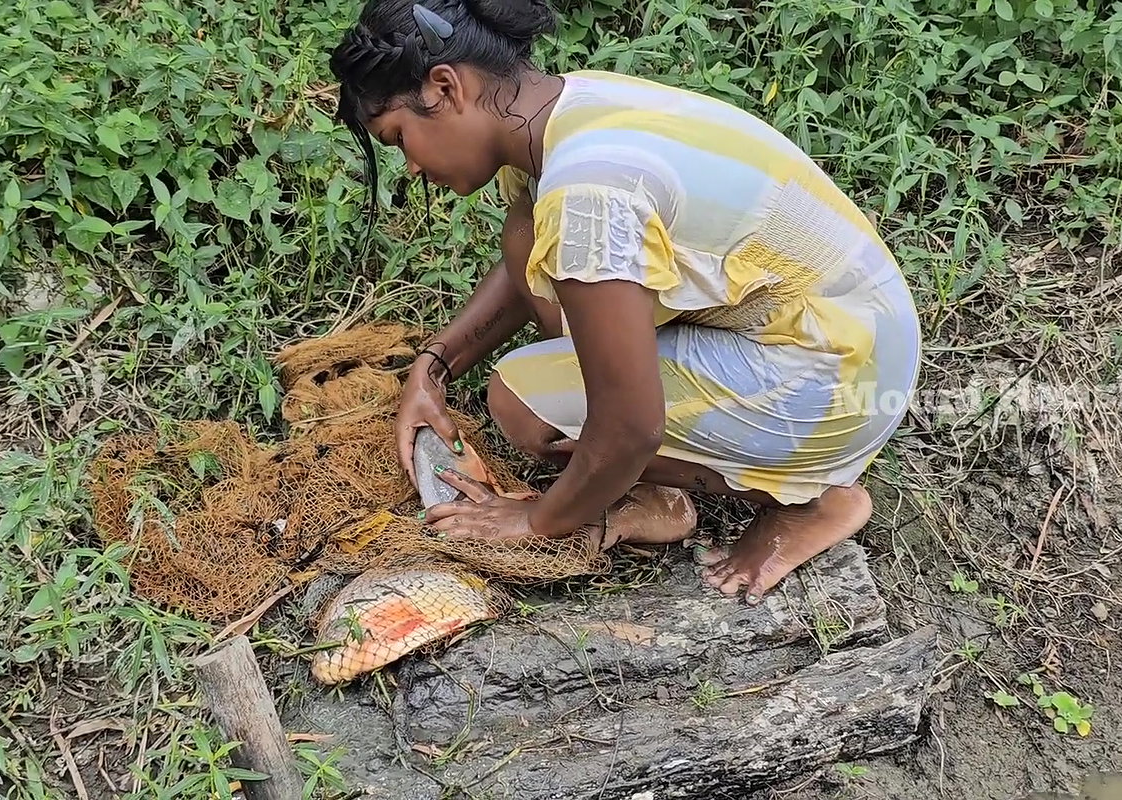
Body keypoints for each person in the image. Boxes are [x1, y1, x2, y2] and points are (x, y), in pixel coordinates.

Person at [327, 0, 921, 603]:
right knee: (530, 244)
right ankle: (670, 488)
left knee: (522, 404)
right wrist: (433, 369)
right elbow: (527, 257)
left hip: (836, 376)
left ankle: (815, 497)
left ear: (447, 87)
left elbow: (632, 424)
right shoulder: (561, 110)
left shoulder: (588, 192)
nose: (413, 167)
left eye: (399, 137)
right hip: (859, 331)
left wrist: (536, 521)